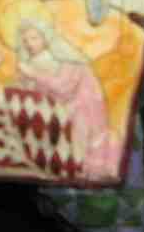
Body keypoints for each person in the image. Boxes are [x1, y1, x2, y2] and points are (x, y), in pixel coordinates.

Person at [15, 19, 121, 180]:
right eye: (25, 41)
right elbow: (33, 91)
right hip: (58, 109)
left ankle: (82, 169)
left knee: (73, 139)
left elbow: (64, 88)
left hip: (83, 109)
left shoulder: (68, 58)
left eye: (34, 38)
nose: (29, 44)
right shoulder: (34, 62)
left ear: (47, 38)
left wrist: (34, 75)